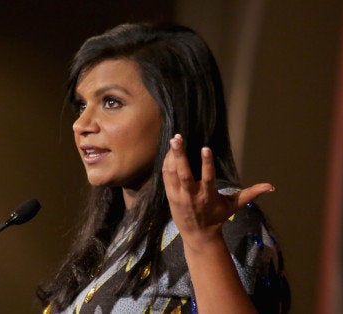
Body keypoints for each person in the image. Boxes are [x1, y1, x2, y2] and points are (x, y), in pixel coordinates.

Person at [37, 23, 290, 313]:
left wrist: (203, 241)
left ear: (174, 111)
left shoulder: (221, 218)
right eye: (82, 106)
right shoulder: (115, 230)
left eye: (111, 102)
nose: (81, 125)